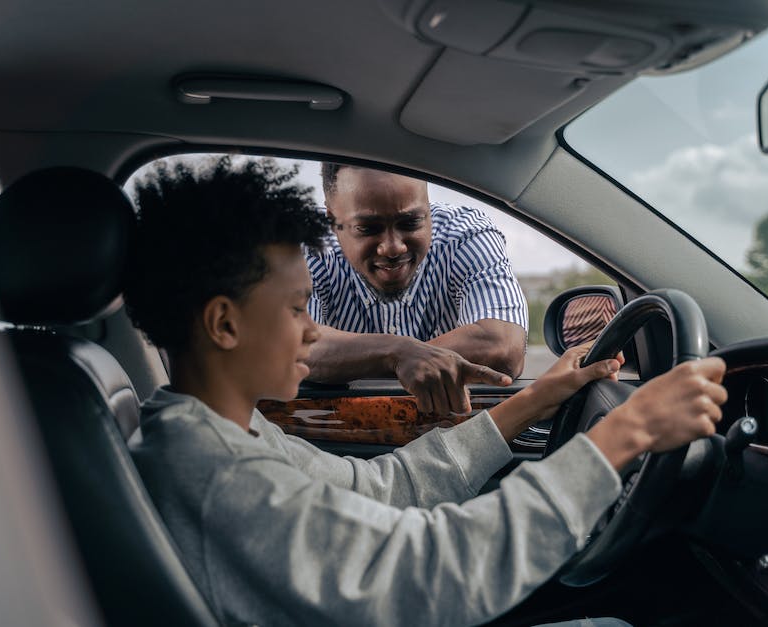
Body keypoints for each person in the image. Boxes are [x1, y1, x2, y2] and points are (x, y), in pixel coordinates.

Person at [124, 156, 727, 627]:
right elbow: (427, 572)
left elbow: (385, 488)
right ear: (224, 324)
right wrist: (628, 433)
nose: (315, 332)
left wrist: (537, 397)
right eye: (296, 310)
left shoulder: (228, 433)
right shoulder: (217, 473)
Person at [306, 164, 529, 415]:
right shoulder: (303, 241)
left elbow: (502, 345)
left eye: (410, 222)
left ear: (428, 208)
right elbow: (296, 346)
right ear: (331, 218)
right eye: (367, 228)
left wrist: (400, 358)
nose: (392, 248)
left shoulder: (466, 235)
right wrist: (397, 353)